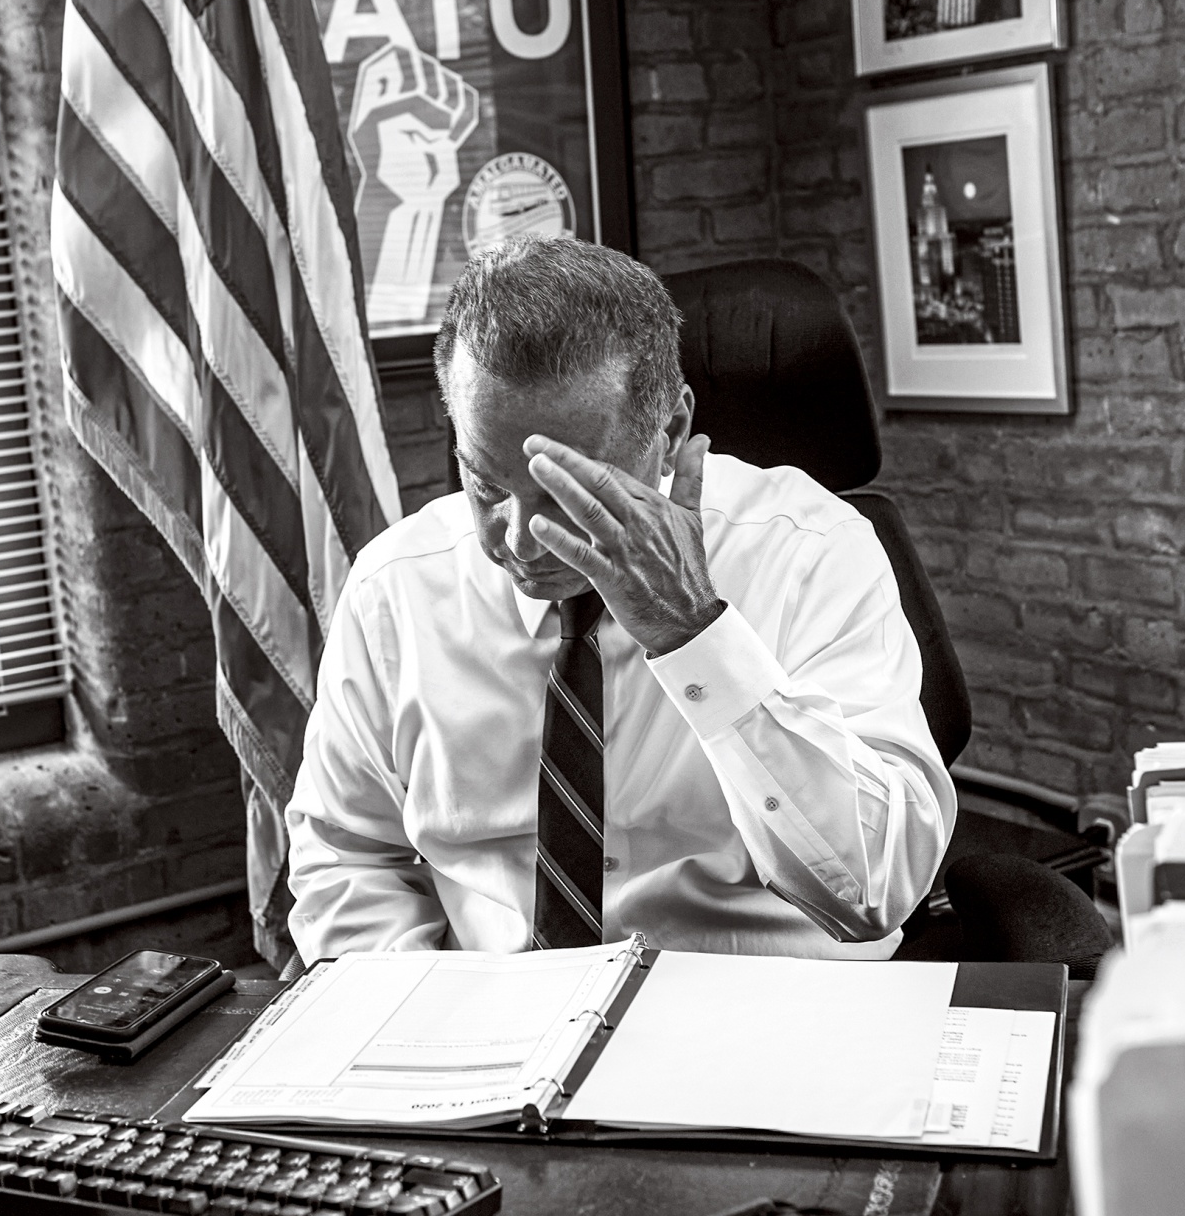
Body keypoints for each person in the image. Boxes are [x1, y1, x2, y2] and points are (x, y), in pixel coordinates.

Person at [286, 236, 954, 963]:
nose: (521, 538)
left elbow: (874, 890)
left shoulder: (810, 549)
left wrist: (696, 634)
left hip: (763, 1020)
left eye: (569, 492)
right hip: (497, 1034)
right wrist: (430, 1023)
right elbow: (346, 858)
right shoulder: (396, 587)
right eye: (484, 482)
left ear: (669, 432)